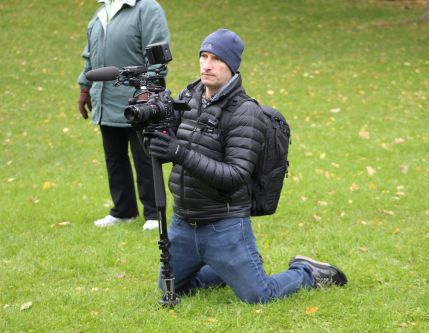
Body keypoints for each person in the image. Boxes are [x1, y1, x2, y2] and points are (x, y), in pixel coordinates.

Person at [148, 28, 348, 304]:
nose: (207, 64)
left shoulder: (246, 112)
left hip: (224, 224)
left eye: (216, 59)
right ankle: (230, 267)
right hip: (183, 222)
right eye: (203, 56)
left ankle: (306, 272)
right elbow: (168, 148)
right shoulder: (190, 95)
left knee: (260, 295)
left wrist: (179, 152)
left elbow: (235, 175)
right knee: (171, 288)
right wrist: (151, 133)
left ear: (231, 65)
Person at [77, 0, 169, 230]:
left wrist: (149, 90)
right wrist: (84, 88)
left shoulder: (147, 8)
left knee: (145, 156)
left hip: (138, 100)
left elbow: (157, 54)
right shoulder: (101, 11)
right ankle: (123, 211)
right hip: (105, 99)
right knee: (114, 158)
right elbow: (90, 55)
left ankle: (153, 214)